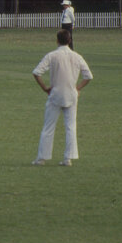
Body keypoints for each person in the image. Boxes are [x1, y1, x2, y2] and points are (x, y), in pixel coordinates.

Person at [32, 29, 93, 167]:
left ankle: (41, 158)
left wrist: (45, 88)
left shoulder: (52, 56)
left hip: (55, 94)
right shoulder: (77, 56)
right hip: (71, 95)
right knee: (71, 127)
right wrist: (77, 88)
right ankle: (68, 159)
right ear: (70, 41)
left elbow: (36, 73)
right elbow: (88, 76)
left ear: (57, 40)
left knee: (48, 127)